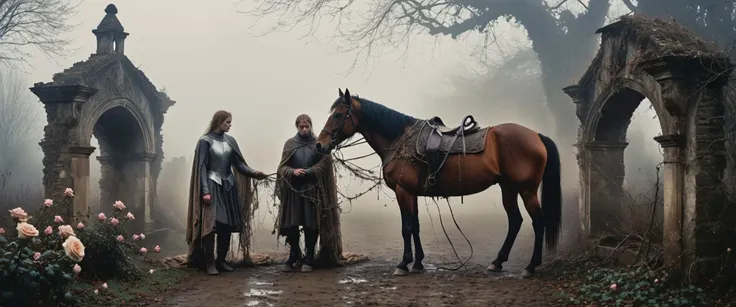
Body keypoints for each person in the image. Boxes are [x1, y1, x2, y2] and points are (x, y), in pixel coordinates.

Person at [185, 110, 267, 275]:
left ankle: (221, 260)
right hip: (211, 185)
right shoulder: (205, 141)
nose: (230, 125)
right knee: (211, 224)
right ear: (219, 122)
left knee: (226, 225)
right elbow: (201, 167)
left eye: (230, 122)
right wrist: (205, 191)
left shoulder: (231, 141)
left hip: (228, 186)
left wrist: (254, 172)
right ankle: (209, 262)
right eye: (228, 122)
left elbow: (238, 164)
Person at [275, 114, 343, 273]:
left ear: (311, 126)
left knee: (311, 225)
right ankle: (293, 256)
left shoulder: (318, 143)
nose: (304, 130)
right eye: (301, 127)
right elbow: (282, 168)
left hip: (312, 190)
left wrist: (310, 171)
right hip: (294, 191)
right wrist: (292, 171)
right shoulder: (290, 144)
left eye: (307, 127)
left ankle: (309, 257)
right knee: (292, 225)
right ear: (297, 127)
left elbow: (325, 163)